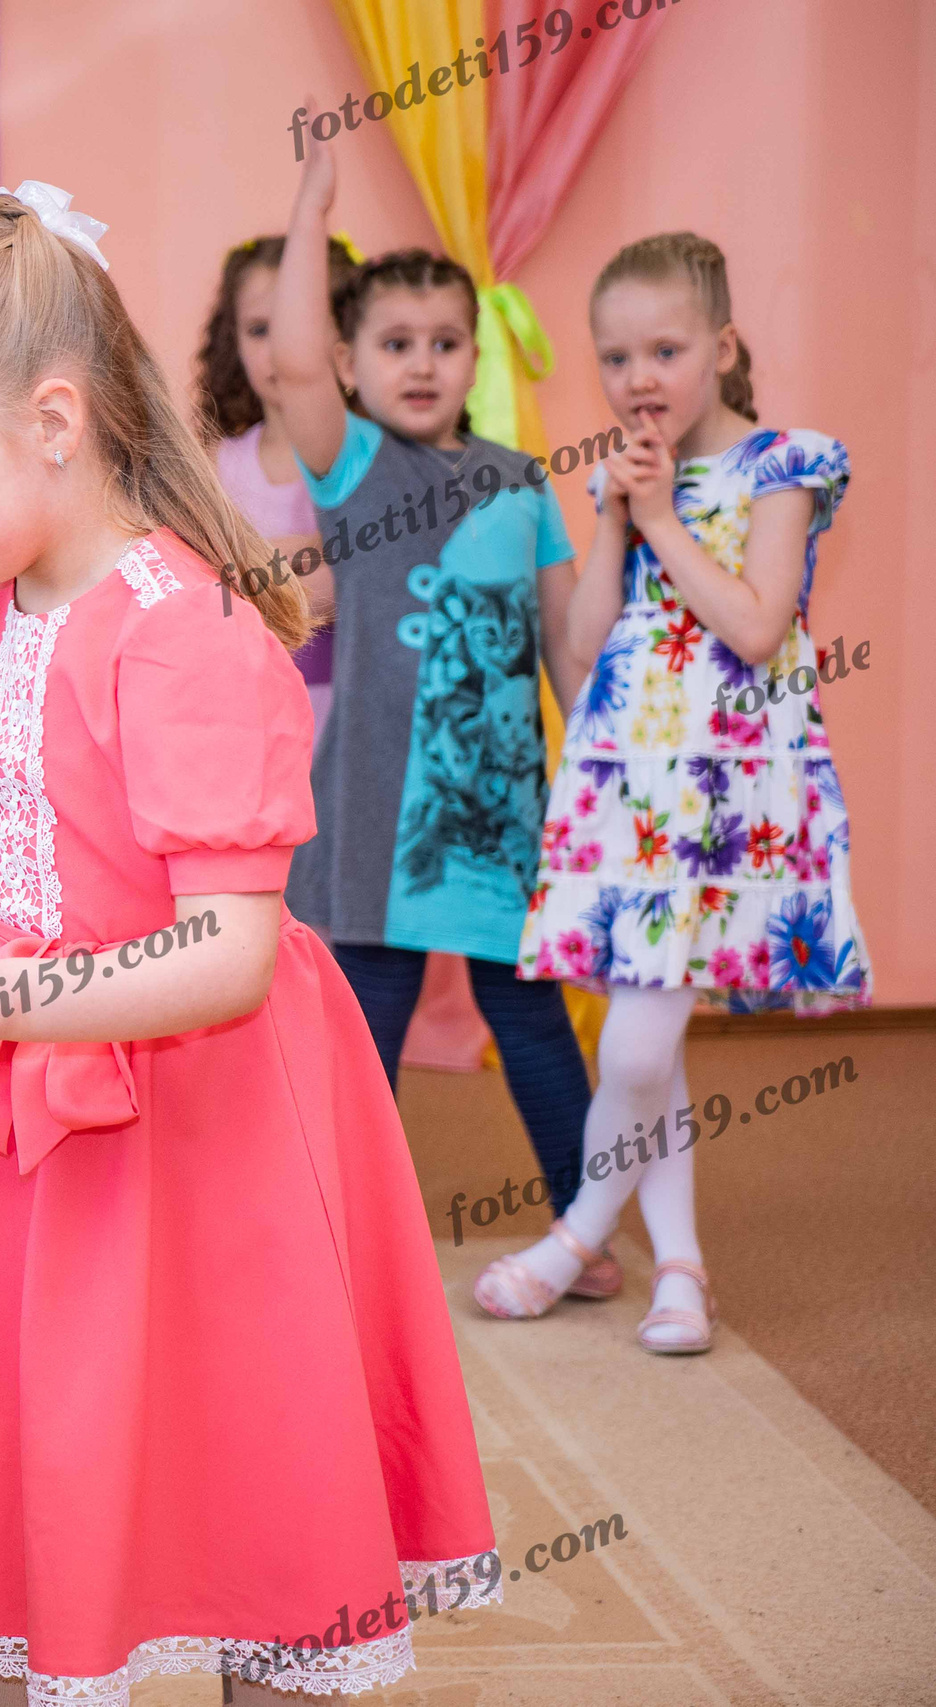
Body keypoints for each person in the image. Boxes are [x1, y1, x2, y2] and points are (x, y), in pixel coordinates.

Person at [0, 176, 493, 1704]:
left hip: (210, 1119)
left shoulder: (185, 627)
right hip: (19, 1118)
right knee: (9, 1472)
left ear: (55, 419)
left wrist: (4, 994)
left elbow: (228, 951)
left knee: (247, 1472)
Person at [490, 234, 868, 1350]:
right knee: (651, 1043)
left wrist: (658, 519)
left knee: (637, 1049)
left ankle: (575, 1235)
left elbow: (757, 626)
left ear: (723, 346)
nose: (638, 376)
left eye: (665, 348)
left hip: (727, 794)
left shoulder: (780, 465)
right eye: (615, 356)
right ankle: (683, 1274)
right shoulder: (622, 479)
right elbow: (582, 641)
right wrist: (612, 517)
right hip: (630, 787)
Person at [271, 135, 603, 1276]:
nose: (421, 363)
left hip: (502, 827)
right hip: (371, 827)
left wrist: (598, 796)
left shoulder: (519, 482)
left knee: (535, 1031)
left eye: (444, 344)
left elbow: (565, 649)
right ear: (354, 364)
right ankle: (339, 1248)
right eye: (394, 344)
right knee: (360, 1050)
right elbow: (292, 365)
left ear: (477, 355)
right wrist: (311, 206)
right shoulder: (353, 466)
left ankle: (582, 1224)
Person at [194, 231, 358, 736]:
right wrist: (313, 556)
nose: (282, 349)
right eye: (260, 329)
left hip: (346, 722)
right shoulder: (213, 466)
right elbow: (197, 594)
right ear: (233, 339)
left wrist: (253, 572)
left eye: (301, 325)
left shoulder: (366, 459)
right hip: (241, 720)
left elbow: (371, 580)